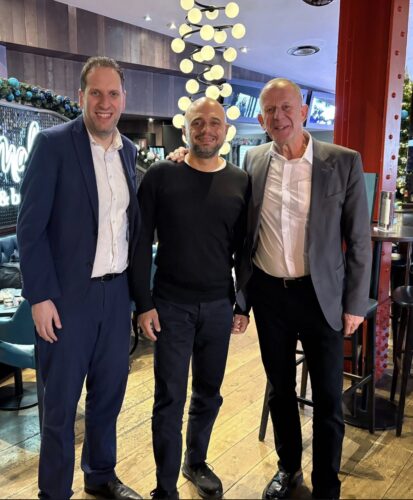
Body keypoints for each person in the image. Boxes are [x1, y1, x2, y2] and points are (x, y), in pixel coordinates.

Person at [236, 78, 372, 500]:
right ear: (261, 119)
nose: (278, 117)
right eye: (270, 110)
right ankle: (288, 469)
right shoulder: (253, 160)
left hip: (321, 296)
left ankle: (327, 485)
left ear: (304, 112)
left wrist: (354, 304)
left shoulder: (342, 161)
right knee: (280, 390)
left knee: (328, 397)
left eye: (286, 107)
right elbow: (242, 230)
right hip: (269, 294)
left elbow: (359, 240)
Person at [17, 56, 142, 500]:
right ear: (81, 96)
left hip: (116, 295)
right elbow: (30, 228)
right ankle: (54, 492)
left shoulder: (128, 151)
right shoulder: (53, 145)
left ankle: (100, 475)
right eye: (96, 93)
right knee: (60, 406)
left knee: (108, 395)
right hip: (67, 301)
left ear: (123, 99)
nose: (105, 103)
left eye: (113, 94)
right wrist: (40, 297)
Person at [131, 97, 250, 500]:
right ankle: (165, 487)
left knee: (209, 393)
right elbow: (139, 241)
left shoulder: (240, 180)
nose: (206, 130)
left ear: (226, 130)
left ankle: (195, 461)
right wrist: (143, 303)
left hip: (218, 306)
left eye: (214, 122)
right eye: (197, 122)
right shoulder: (161, 175)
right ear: (184, 129)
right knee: (169, 398)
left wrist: (242, 302)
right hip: (170, 306)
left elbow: (244, 248)